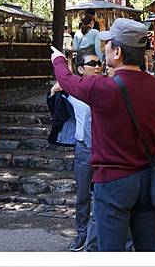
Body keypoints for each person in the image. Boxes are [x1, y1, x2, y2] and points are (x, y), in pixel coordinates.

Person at [50, 18, 155, 251]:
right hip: (147, 179)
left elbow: (66, 81)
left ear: (117, 52)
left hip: (112, 181)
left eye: (107, 44)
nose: (103, 47)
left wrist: (57, 59)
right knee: (148, 247)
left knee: (110, 249)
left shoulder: (101, 87)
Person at [48, 51, 102, 251]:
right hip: (83, 149)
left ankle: (98, 236)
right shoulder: (71, 91)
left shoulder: (107, 88)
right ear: (80, 69)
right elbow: (55, 109)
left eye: (99, 63)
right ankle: (81, 233)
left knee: (102, 194)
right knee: (82, 194)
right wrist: (53, 93)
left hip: (105, 150)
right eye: (92, 63)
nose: (97, 67)